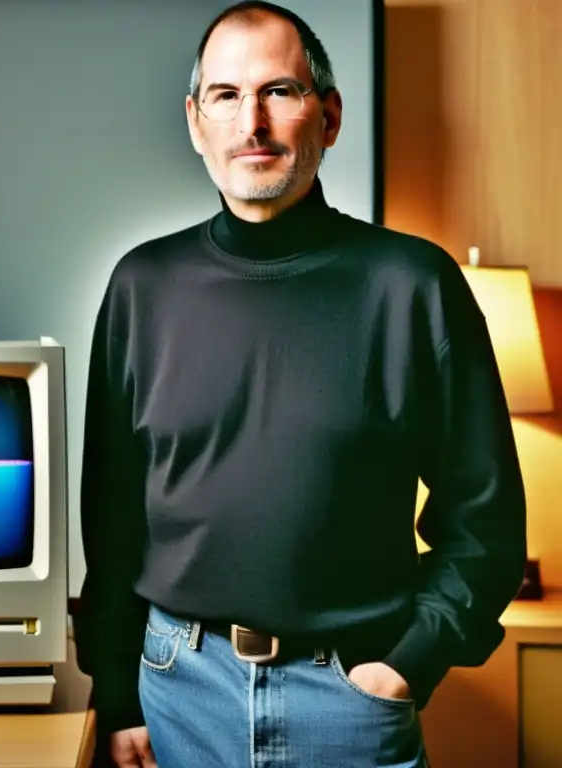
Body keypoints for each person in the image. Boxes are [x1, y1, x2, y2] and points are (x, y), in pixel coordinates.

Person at [73, 2, 527, 766]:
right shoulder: (141, 287)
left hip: (350, 698)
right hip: (174, 693)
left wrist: (404, 668)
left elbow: (484, 522)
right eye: (225, 95)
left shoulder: (411, 285)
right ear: (195, 122)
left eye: (279, 91)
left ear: (330, 115)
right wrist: (117, 691)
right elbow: (113, 518)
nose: (251, 121)